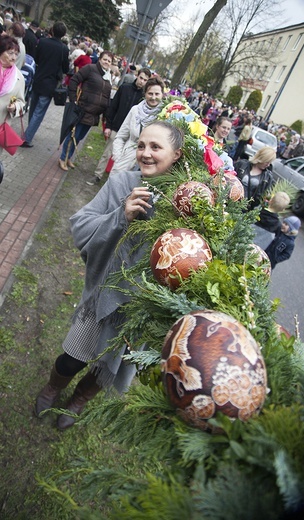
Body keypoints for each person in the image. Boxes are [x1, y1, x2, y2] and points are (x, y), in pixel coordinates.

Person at [35, 121, 184, 429]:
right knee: (72, 358)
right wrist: (120, 215)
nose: (145, 153)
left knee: (107, 368)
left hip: (140, 313)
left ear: (177, 155)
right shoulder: (121, 184)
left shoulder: (184, 205)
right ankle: (54, 387)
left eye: (156, 147)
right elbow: (80, 225)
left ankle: (78, 400)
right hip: (104, 299)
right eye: (141, 145)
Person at [86, 67, 151, 186]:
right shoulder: (124, 88)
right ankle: (97, 175)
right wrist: (108, 126)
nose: (142, 81)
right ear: (137, 76)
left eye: (145, 80)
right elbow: (113, 107)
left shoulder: (144, 98)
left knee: (125, 160)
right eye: (141, 78)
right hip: (116, 128)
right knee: (107, 153)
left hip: (132, 134)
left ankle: (116, 182)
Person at [59, 50, 113, 171]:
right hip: (82, 110)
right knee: (73, 136)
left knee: (78, 138)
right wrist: (73, 100)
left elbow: (106, 96)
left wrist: (105, 115)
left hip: (94, 115)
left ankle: (69, 158)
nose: (106, 62)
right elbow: (74, 80)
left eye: (109, 61)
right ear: (100, 59)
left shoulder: (108, 76)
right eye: (105, 59)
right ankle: (63, 158)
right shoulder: (90, 68)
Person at [21, 21, 69, 148]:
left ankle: (28, 132)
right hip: (50, 84)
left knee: (33, 107)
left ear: (52, 31)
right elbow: (65, 68)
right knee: (39, 111)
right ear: (63, 34)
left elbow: (36, 58)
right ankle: (27, 137)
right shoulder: (64, 49)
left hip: (38, 79)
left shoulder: (42, 42)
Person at [110, 76, 164, 174]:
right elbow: (121, 136)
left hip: (149, 165)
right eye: (150, 93)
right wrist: (118, 157)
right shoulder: (135, 110)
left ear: (162, 95)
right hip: (126, 160)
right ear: (145, 94)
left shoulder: (165, 115)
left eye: (157, 94)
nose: (153, 97)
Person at [0, 34, 25, 176]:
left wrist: (15, 107)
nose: (14, 57)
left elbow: (22, 101)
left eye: (16, 54)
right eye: (10, 53)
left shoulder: (19, 78)